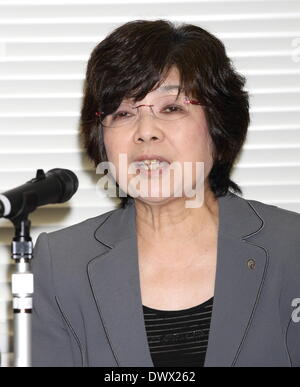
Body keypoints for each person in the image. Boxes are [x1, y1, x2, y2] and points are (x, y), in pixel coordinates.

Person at [32, 19, 300, 367]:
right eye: (123, 112)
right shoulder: (61, 264)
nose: (146, 132)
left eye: (171, 108)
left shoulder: (291, 248)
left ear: (218, 128)